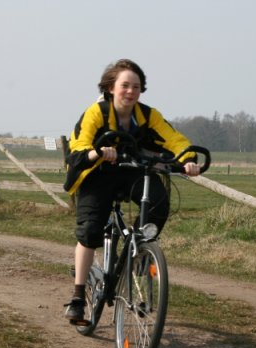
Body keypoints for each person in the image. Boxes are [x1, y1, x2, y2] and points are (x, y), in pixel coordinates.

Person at [63, 58, 201, 324]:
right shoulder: (96, 112)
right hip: (97, 173)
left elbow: (175, 140)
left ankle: (136, 251)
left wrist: (188, 160)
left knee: (158, 203)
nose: (130, 91)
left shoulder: (148, 115)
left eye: (136, 87)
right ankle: (78, 297)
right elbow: (79, 145)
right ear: (111, 88)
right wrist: (97, 152)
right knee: (90, 230)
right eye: (125, 85)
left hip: (131, 170)